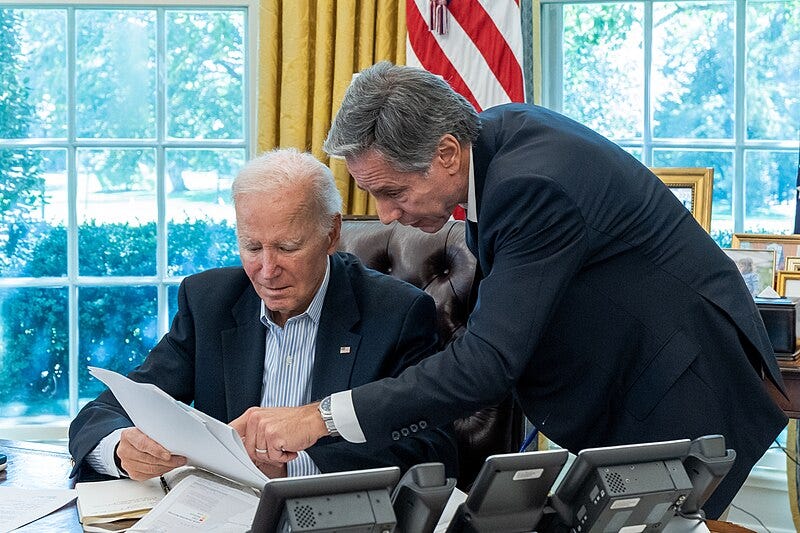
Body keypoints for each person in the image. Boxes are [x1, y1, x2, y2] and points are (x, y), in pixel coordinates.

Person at [229, 62, 788, 518]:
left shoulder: (529, 186)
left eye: (394, 191)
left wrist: (319, 418)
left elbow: (488, 363)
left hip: (678, 387)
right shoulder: (496, 140)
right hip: (638, 376)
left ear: (446, 152)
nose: (386, 215)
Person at [68, 147, 457, 482]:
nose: (267, 271)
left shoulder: (397, 312)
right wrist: (120, 449)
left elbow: (431, 450)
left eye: (287, 247)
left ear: (331, 234)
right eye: (252, 247)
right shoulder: (210, 301)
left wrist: (296, 468)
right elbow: (104, 412)